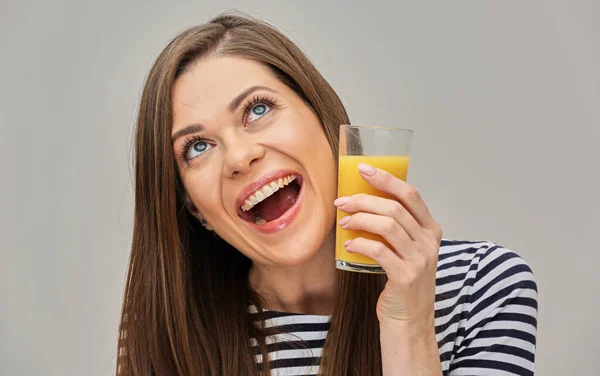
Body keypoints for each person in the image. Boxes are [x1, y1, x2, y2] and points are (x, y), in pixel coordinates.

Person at [116, 12, 538, 376]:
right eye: (198, 147)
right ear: (192, 206)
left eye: (257, 109)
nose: (240, 157)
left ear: (325, 119)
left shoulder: (481, 286)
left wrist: (408, 325)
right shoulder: (169, 334)